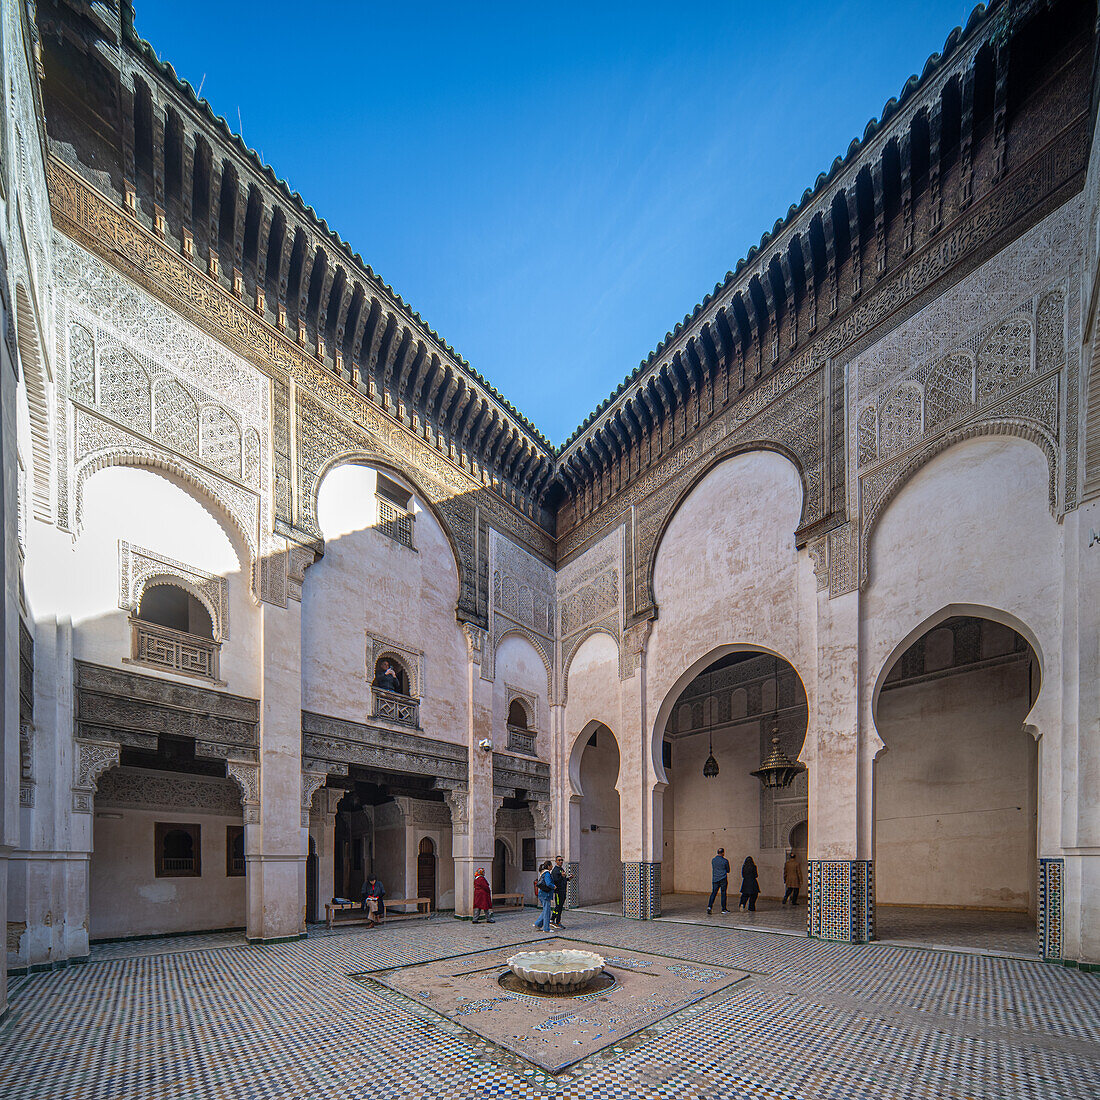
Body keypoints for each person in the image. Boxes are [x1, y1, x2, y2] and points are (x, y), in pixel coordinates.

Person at [707, 847, 730, 915]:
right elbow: (728, 870)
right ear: (723, 853)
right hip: (723, 879)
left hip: (715, 879)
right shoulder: (725, 861)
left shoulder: (713, 860)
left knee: (713, 893)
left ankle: (709, 907)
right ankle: (723, 909)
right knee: (723, 893)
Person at [533, 861, 555, 931]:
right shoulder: (547, 873)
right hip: (545, 895)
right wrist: (553, 886)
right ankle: (546, 928)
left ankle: (538, 924)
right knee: (547, 912)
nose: (552, 866)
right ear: (548, 866)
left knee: (546, 910)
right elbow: (548, 883)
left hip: (543, 894)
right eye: (551, 865)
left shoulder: (543, 873)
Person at [550, 856, 571, 927]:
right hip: (558, 892)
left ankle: (554, 920)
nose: (561, 861)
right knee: (558, 907)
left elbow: (563, 880)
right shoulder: (555, 870)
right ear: (556, 861)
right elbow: (555, 881)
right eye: (559, 860)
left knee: (560, 907)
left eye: (562, 860)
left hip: (563, 891)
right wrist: (562, 876)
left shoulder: (561, 869)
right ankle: (555, 921)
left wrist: (568, 878)